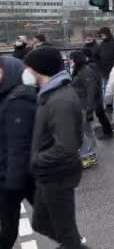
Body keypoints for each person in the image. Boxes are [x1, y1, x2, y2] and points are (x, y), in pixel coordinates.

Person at [23, 47, 89, 249]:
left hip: (58, 174)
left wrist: (36, 160)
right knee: (41, 223)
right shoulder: (49, 94)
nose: (26, 72)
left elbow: (66, 147)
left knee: (66, 232)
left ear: (39, 69)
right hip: (48, 173)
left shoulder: (60, 99)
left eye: (29, 68)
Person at [0, 57, 36, 248]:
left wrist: (12, 182)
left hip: (16, 177)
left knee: (53, 222)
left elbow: (18, 145)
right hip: (11, 174)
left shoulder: (18, 102)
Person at [69, 51, 99, 169]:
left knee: (83, 132)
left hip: (84, 106)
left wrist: (89, 108)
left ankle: (87, 155)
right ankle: (90, 154)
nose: (69, 61)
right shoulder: (80, 70)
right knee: (87, 131)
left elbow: (90, 90)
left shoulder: (85, 71)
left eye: (71, 59)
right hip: (81, 104)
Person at [97, 27, 114, 91]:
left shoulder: (111, 42)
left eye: (103, 35)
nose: (102, 36)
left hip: (109, 67)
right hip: (104, 67)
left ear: (107, 34)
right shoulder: (103, 43)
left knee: (109, 86)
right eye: (101, 35)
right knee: (106, 85)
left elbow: (108, 55)